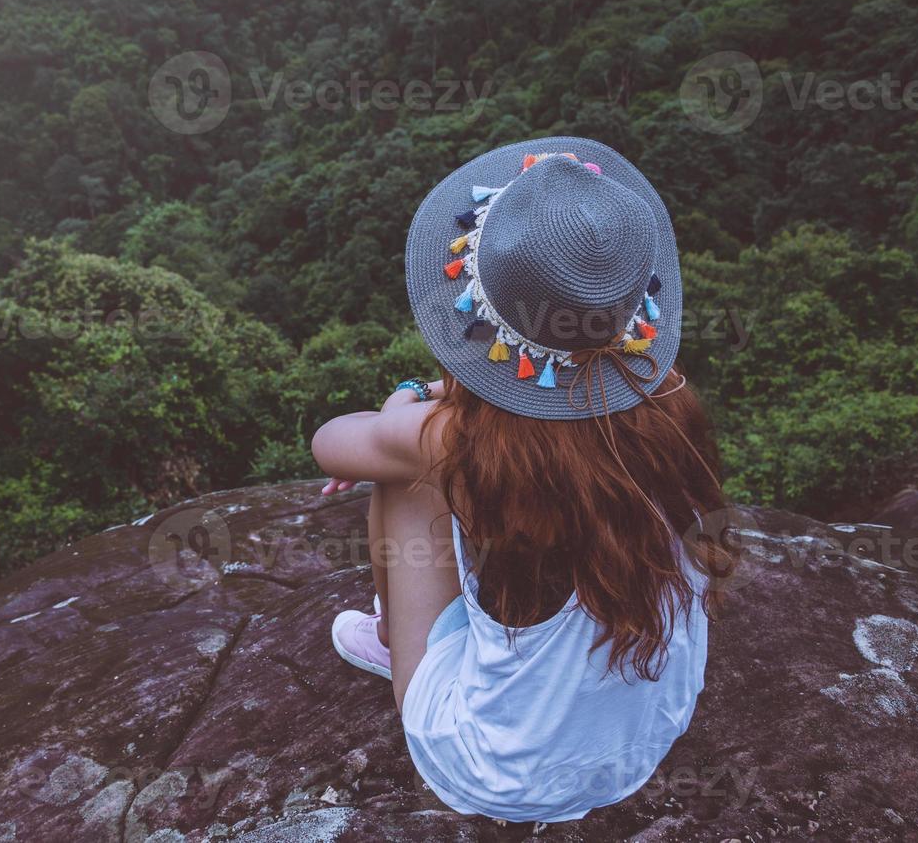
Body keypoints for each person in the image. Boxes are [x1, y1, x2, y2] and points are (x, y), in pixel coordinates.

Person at [311, 138, 734, 824]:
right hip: (640, 744)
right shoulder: (670, 410)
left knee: (403, 482)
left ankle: (394, 641)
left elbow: (330, 444)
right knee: (417, 467)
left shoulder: (463, 444)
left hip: (492, 771)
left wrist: (408, 406)